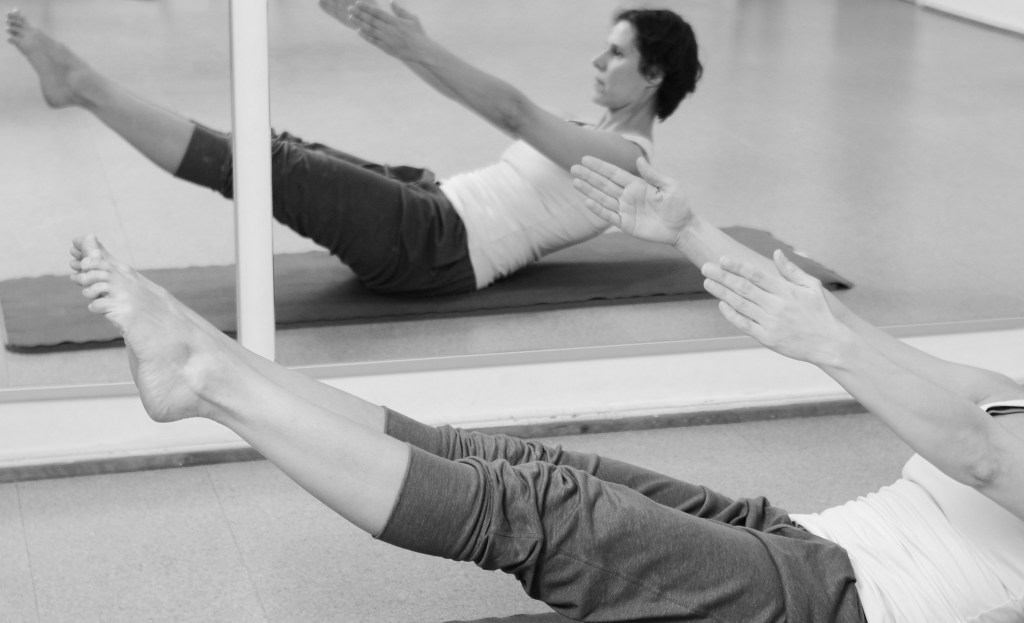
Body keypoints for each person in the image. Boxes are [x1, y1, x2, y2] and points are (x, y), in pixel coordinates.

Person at [67, 162, 1024, 622]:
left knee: (545, 509)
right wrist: (687, 230)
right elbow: (875, 346)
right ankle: (222, 360)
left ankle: (209, 383)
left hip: (843, 605)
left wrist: (832, 346)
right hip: (803, 537)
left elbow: (982, 455)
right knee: (507, 462)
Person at [7, 3, 701, 296]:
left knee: (262, 165)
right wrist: (395, 42)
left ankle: (82, 87)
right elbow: (489, 108)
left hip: (435, 248)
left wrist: (418, 45)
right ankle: (81, 87)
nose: (597, 61)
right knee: (276, 149)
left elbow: (510, 110)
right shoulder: (597, 132)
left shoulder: (628, 160)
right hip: (434, 204)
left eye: (616, 54)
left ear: (653, 76)